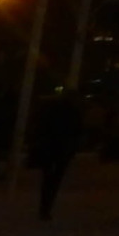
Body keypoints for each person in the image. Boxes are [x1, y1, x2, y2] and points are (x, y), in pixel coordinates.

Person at [29, 83, 82, 220]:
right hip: (62, 149)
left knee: (48, 177)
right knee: (55, 178)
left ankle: (44, 207)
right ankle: (46, 207)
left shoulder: (51, 109)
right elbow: (76, 130)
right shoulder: (73, 112)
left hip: (50, 147)